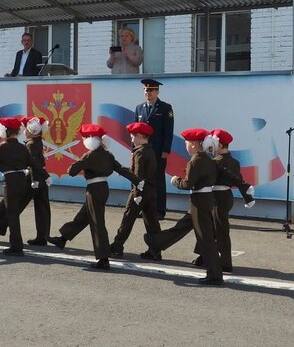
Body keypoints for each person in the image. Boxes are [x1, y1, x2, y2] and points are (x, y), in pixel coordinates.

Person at [46, 124, 143, 270]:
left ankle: (103, 258)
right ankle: (62, 238)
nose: (84, 140)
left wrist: (81, 160)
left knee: (97, 224)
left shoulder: (90, 155)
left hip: (94, 189)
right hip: (103, 189)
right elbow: (121, 169)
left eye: (85, 138)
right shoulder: (107, 154)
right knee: (83, 217)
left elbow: (71, 171)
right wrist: (137, 180)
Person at [144, 128, 222, 286]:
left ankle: (214, 275)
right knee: (184, 226)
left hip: (199, 201)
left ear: (193, 144)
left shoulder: (195, 161)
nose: (186, 145)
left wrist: (175, 181)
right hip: (205, 199)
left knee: (205, 239)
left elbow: (188, 184)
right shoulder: (208, 160)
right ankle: (156, 242)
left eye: (186, 142)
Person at [0, 117, 49, 256]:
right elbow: (34, 163)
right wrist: (46, 176)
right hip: (21, 182)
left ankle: (16, 246)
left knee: (12, 214)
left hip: (10, 182)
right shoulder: (21, 146)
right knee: (7, 209)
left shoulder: (3, 146)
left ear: (5, 131)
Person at [191, 129, 255, 272]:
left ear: (220, 146)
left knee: (219, 230)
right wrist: (248, 197)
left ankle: (225, 262)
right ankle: (203, 257)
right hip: (226, 197)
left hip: (217, 198)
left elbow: (234, 179)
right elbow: (239, 180)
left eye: (213, 144)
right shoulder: (235, 162)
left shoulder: (216, 161)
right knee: (212, 229)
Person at [109, 122, 162, 259]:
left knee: (127, 219)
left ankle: (117, 246)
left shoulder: (139, 153)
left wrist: (137, 194)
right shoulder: (150, 150)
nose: (131, 139)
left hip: (140, 192)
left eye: (132, 136)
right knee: (152, 222)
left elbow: (138, 177)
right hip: (151, 191)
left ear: (139, 135)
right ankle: (155, 250)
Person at [135, 78, 174, 219]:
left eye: (151, 90)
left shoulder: (165, 108)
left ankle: (160, 210)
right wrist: (135, 149)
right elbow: (135, 131)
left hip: (158, 151)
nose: (148, 93)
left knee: (158, 179)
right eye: (146, 90)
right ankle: (144, 209)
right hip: (143, 151)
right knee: (142, 179)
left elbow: (168, 131)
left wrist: (166, 150)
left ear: (157, 91)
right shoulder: (139, 108)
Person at [22, 116, 52, 246]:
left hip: (34, 178)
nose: (24, 131)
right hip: (40, 177)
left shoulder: (31, 143)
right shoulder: (38, 141)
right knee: (43, 208)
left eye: (26, 128)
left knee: (15, 205)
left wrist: (39, 178)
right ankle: (43, 236)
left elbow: (33, 163)